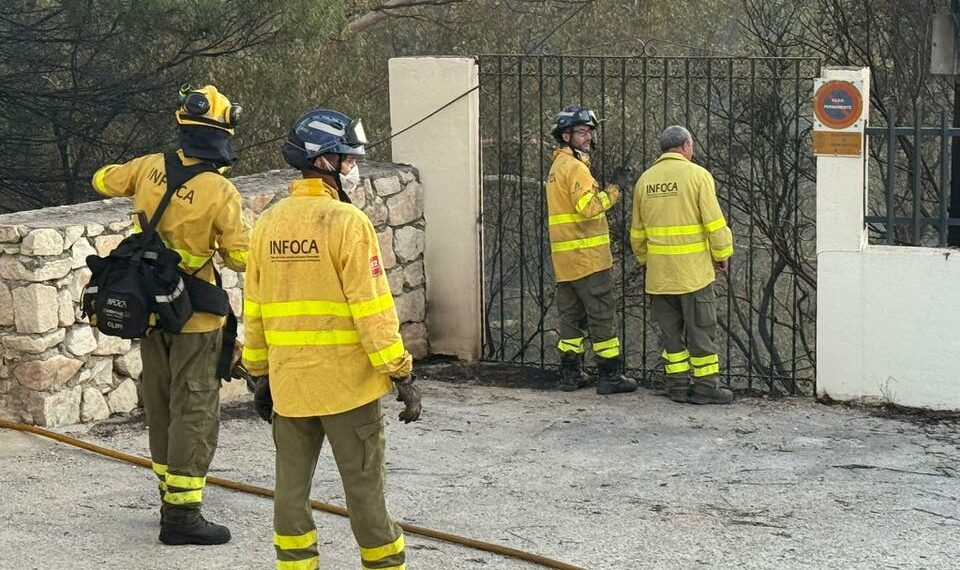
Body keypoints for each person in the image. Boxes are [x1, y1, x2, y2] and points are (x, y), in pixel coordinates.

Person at [241, 108, 421, 570]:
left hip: (291, 387)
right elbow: (373, 310)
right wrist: (401, 373)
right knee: (364, 491)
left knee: (291, 492)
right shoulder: (347, 223)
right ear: (323, 162)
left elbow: (255, 311)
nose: (353, 167)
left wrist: (259, 376)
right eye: (347, 158)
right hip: (348, 389)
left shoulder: (268, 225)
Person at [90, 84, 250, 544]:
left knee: (159, 404)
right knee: (195, 406)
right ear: (223, 137)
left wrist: (132, 181)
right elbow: (240, 258)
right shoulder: (220, 190)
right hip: (195, 318)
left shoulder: (149, 167)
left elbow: (102, 181)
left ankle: (169, 489)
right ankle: (181, 516)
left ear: (183, 126)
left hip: (150, 312)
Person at [629, 125, 734, 405]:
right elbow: (714, 223)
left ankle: (676, 386)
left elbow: (637, 234)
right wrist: (722, 254)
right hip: (693, 275)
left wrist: (646, 262)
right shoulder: (698, 176)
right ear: (687, 146)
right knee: (701, 330)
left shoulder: (644, 181)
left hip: (659, 276)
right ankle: (706, 388)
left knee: (671, 334)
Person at [546, 105, 638, 395]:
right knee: (601, 315)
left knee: (571, 318)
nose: (587, 138)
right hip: (589, 259)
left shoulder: (557, 167)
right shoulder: (575, 168)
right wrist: (616, 189)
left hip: (566, 262)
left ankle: (570, 374)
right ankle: (609, 375)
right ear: (566, 135)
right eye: (582, 132)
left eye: (589, 132)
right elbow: (589, 208)